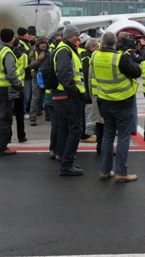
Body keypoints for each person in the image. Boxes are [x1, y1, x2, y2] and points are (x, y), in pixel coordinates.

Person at [91, 31, 141, 182]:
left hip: (104, 101)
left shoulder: (95, 56)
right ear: (115, 43)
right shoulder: (120, 58)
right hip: (122, 102)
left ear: (101, 43)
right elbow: (137, 72)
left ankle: (105, 171)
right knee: (123, 137)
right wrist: (130, 57)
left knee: (107, 137)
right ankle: (121, 173)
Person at [53, 24, 88, 176]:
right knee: (76, 129)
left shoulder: (65, 49)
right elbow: (64, 74)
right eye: (76, 36)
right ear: (68, 36)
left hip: (62, 95)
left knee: (65, 128)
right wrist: (75, 91)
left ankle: (64, 160)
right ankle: (66, 163)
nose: (78, 39)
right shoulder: (64, 51)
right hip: (68, 96)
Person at [0, 28, 23, 155]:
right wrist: (18, 85)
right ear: (13, 39)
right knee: (5, 119)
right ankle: (1, 147)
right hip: (7, 89)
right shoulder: (8, 53)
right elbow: (11, 73)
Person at [28, 37, 50, 126]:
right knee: (35, 98)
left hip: (47, 77)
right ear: (38, 45)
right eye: (42, 43)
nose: (44, 45)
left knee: (48, 97)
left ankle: (48, 115)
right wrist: (39, 59)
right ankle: (32, 117)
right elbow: (31, 65)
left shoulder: (50, 52)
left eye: (45, 43)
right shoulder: (33, 53)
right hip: (37, 78)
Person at [79, 36, 97, 143]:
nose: (98, 48)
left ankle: (87, 133)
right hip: (87, 92)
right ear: (90, 47)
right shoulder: (86, 59)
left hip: (90, 91)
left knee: (88, 114)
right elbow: (86, 77)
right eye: (96, 46)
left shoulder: (88, 57)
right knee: (87, 114)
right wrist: (87, 93)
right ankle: (85, 135)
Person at [10, 37, 28, 143]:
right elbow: (25, 66)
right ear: (19, 45)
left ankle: (8, 136)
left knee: (8, 114)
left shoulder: (8, 54)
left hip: (9, 87)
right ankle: (21, 136)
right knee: (19, 114)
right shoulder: (24, 56)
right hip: (20, 86)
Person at [17, 27, 33, 116]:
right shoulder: (20, 44)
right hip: (24, 72)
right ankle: (23, 111)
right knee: (25, 94)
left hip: (28, 71)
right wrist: (32, 49)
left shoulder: (27, 43)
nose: (28, 35)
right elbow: (25, 55)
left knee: (29, 93)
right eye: (26, 34)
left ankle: (26, 109)